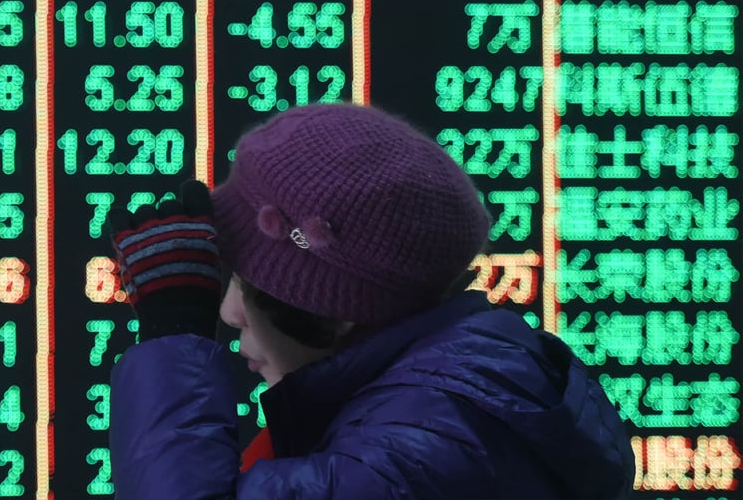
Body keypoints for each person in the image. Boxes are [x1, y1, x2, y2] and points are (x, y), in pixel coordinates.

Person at [107, 102, 635, 499]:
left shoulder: (425, 446)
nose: (226, 312)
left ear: (335, 313)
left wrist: (175, 334)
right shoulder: (456, 397)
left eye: (248, 284)